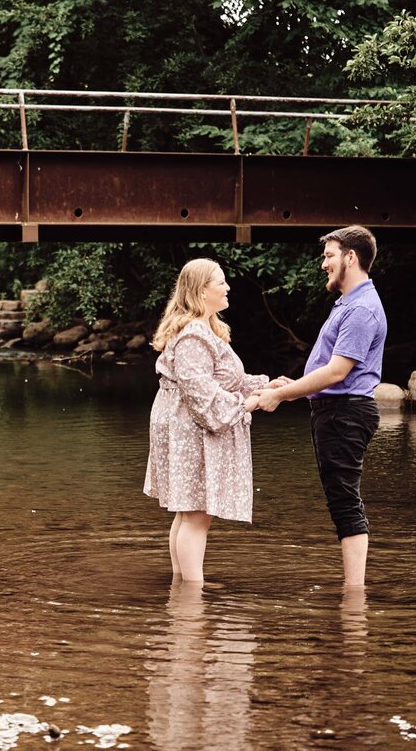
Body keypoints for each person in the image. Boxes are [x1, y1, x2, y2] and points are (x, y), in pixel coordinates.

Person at [253, 226, 387, 587]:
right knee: (340, 498)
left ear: (351, 257)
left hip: (346, 413)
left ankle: (354, 595)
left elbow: (337, 371)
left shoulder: (361, 309)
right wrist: (291, 385)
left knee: (344, 500)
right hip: (337, 412)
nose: (323, 263)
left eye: (329, 255)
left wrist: (284, 395)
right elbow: (327, 368)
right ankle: (352, 591)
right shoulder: (348, 302)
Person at [143, 258, 281, 584]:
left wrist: (265, 385)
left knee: (189, 511)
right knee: (196, 513)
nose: (228, 287)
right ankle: (192, 594)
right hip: (187, 432)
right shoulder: (192, 335)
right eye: (221, 282)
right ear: (201, 291)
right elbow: (201, 397)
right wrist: (249, 403)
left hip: (185, 429)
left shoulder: (208, 329)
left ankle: (181, 589)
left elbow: (223, 379)